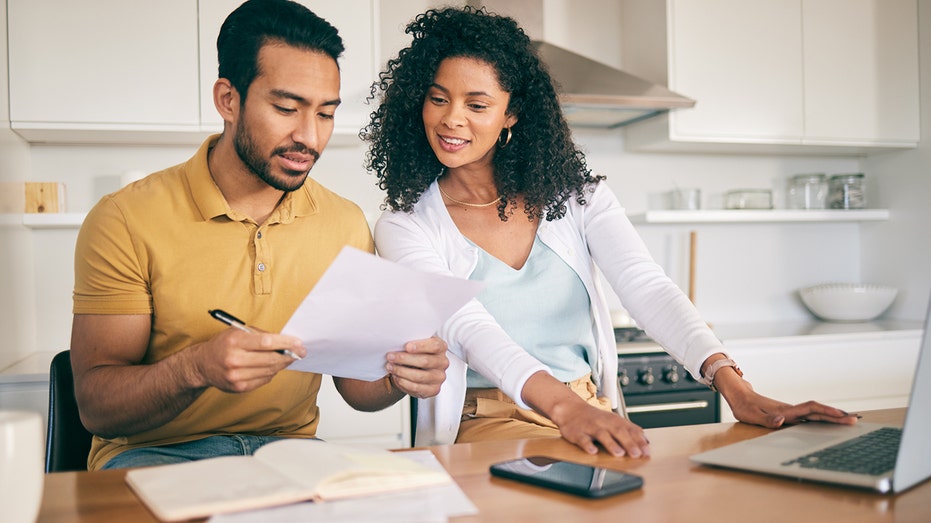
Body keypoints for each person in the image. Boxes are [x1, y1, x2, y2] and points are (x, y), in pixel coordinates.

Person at [362, 6, 858, 458]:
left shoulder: (579, 198)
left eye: (477, 104)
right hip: (489, 423)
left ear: (510, 114)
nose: (452, 119)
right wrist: (564, 410)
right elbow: (467, 328)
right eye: (438, 99)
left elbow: (648, 288)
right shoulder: (406, 225)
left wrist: (737, 390)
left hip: (588, 407)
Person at [70, 0, 448, 471]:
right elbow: (96, 407)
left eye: (326, 114)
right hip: (154, 456)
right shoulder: (125, 218)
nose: (309, 137)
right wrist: (195, 368)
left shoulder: (344, 223)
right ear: (228, 99)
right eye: (287, 108)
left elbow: (356, 389)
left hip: (292, 454)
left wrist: (401, 376)